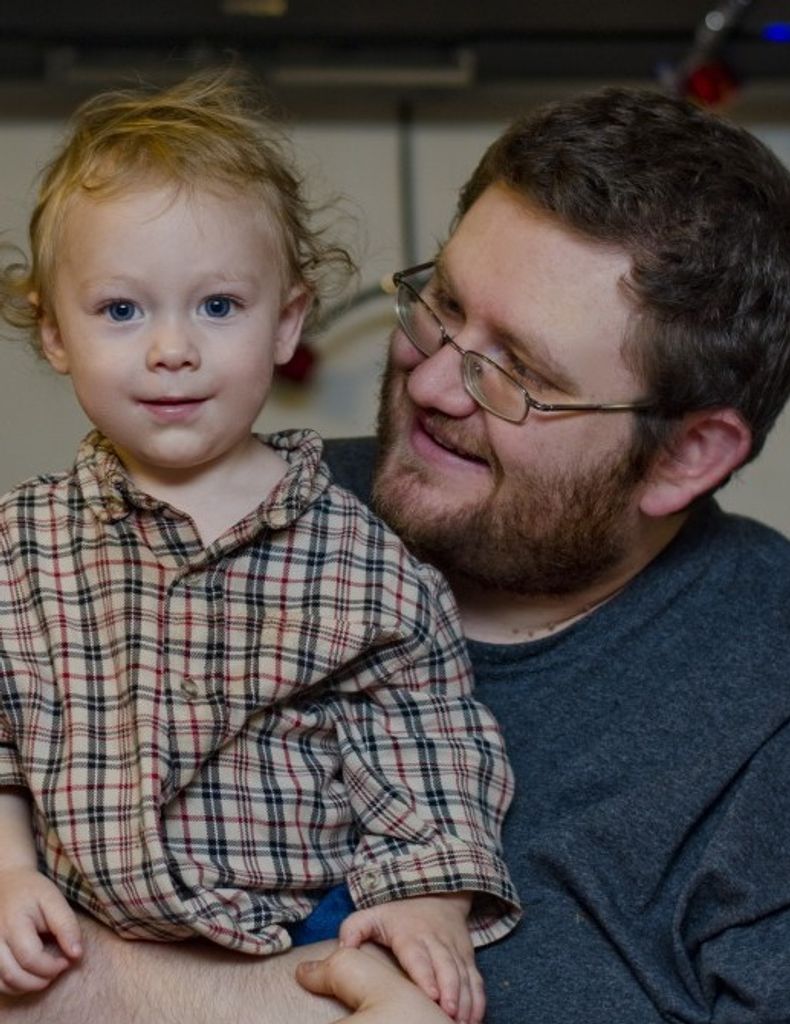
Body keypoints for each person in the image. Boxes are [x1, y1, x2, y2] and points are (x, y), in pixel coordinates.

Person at [2, 82, 790, 1024]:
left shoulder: (763, 715)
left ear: (686, 455)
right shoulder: (215, 501)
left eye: (518, 373)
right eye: (441, 306)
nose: (436, 384)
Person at [0, 71, 521, 1024]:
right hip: (78, 917)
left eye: (217, 307)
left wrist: (429, 896)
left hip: (305, 930)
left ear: (286, 322)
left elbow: (426, 736)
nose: (171, 349)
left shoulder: (358, 560)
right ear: (54, 332)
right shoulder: (20, 549)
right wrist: (7, 872)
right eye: (121, 310)